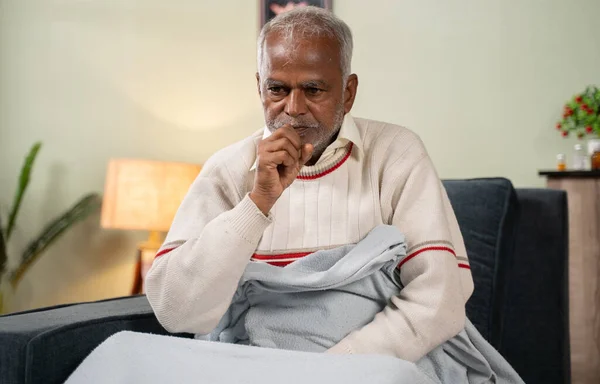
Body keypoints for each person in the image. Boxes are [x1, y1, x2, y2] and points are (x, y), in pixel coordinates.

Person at [145, 6, 474, 363]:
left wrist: (331, 370)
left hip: (368, 368)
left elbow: (441, 298)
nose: (293, 108)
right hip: (255, 367)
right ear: (259, 87)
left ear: (348, 93)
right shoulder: (226, 170)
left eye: (313, 89)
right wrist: (257, 203)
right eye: (277, 89)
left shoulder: (396, 153)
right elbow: (175, 312)